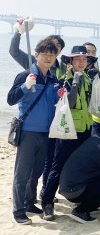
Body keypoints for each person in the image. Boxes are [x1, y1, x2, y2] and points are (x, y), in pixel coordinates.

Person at [7, 38, 60, 225]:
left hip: (45, 133)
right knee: (22, 174)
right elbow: (10, 99)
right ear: (36, 55)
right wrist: (25, 86)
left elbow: (56, 104)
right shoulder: (26, 75)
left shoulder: (53, 79)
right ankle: (18, 210)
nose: (48, 57)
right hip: (28, 132)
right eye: (44, 54)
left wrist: (64, 95)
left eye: (52, 55)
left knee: (36, 172)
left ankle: (29, 203)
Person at [41, 46, 97, 221]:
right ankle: (47, 203)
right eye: (77, 59)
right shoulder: (63, 79)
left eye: (84, 59)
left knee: (85, 167)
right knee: (57, 168)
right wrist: (75, 82)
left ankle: (82, 201)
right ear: (70, 62)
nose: (81, 62)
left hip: (85, 131)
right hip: (67, 132)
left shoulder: (88, 79)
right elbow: (70, 103)